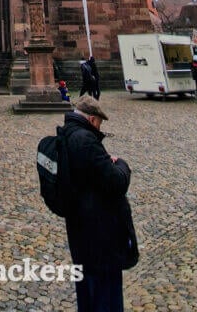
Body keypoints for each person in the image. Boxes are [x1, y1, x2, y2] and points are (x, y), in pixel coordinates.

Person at [60, 96, 134, 312]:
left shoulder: (65, 134)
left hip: (79, 228)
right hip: (99, 233)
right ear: (92, 120)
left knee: (87, 288)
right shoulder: (85, 141)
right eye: (99, 123)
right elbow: (115, 181)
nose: (100, 127)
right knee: (105, 293)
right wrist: (121, 163)